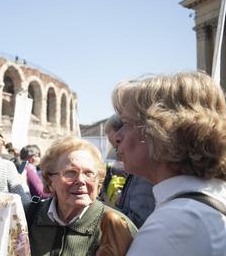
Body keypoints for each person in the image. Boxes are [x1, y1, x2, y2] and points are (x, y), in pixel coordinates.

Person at [112, 72, 226, 255]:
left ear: (161, 130)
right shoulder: (201, 204)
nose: (117, 137)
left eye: (126, 123)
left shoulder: (176, 224)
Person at [28, 136, 137, 256]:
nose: (81, 180)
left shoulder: (118, 226)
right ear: (50, 179)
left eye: (88, 173)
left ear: (98, 180)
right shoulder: (28, 216)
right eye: (70, 172)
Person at [104, 114, 155, 227]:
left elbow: (137, 223)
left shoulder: (145, 176)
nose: (118, 153)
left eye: (118, 145)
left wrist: (103, 209)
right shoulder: (136, 172)